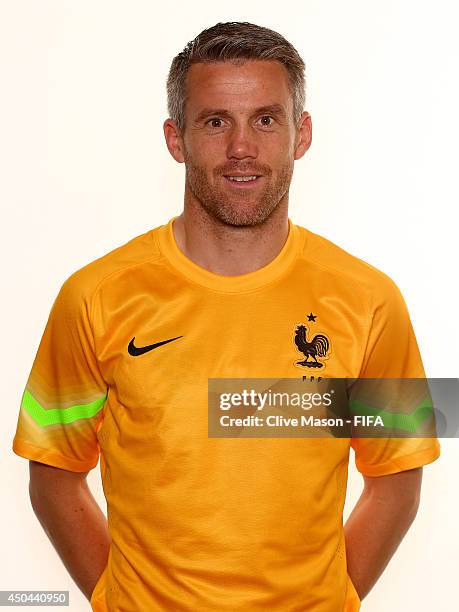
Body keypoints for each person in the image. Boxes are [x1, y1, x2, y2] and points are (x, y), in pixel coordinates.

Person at [12, 21, 440, 612]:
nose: (242, 147)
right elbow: (52, 472)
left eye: (266, 119)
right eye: (216, 122)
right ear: (175, 138)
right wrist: (114, 599)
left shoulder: (371, 300)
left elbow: (397, 478)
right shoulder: (93, 297)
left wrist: (334, 598)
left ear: (302, 133)